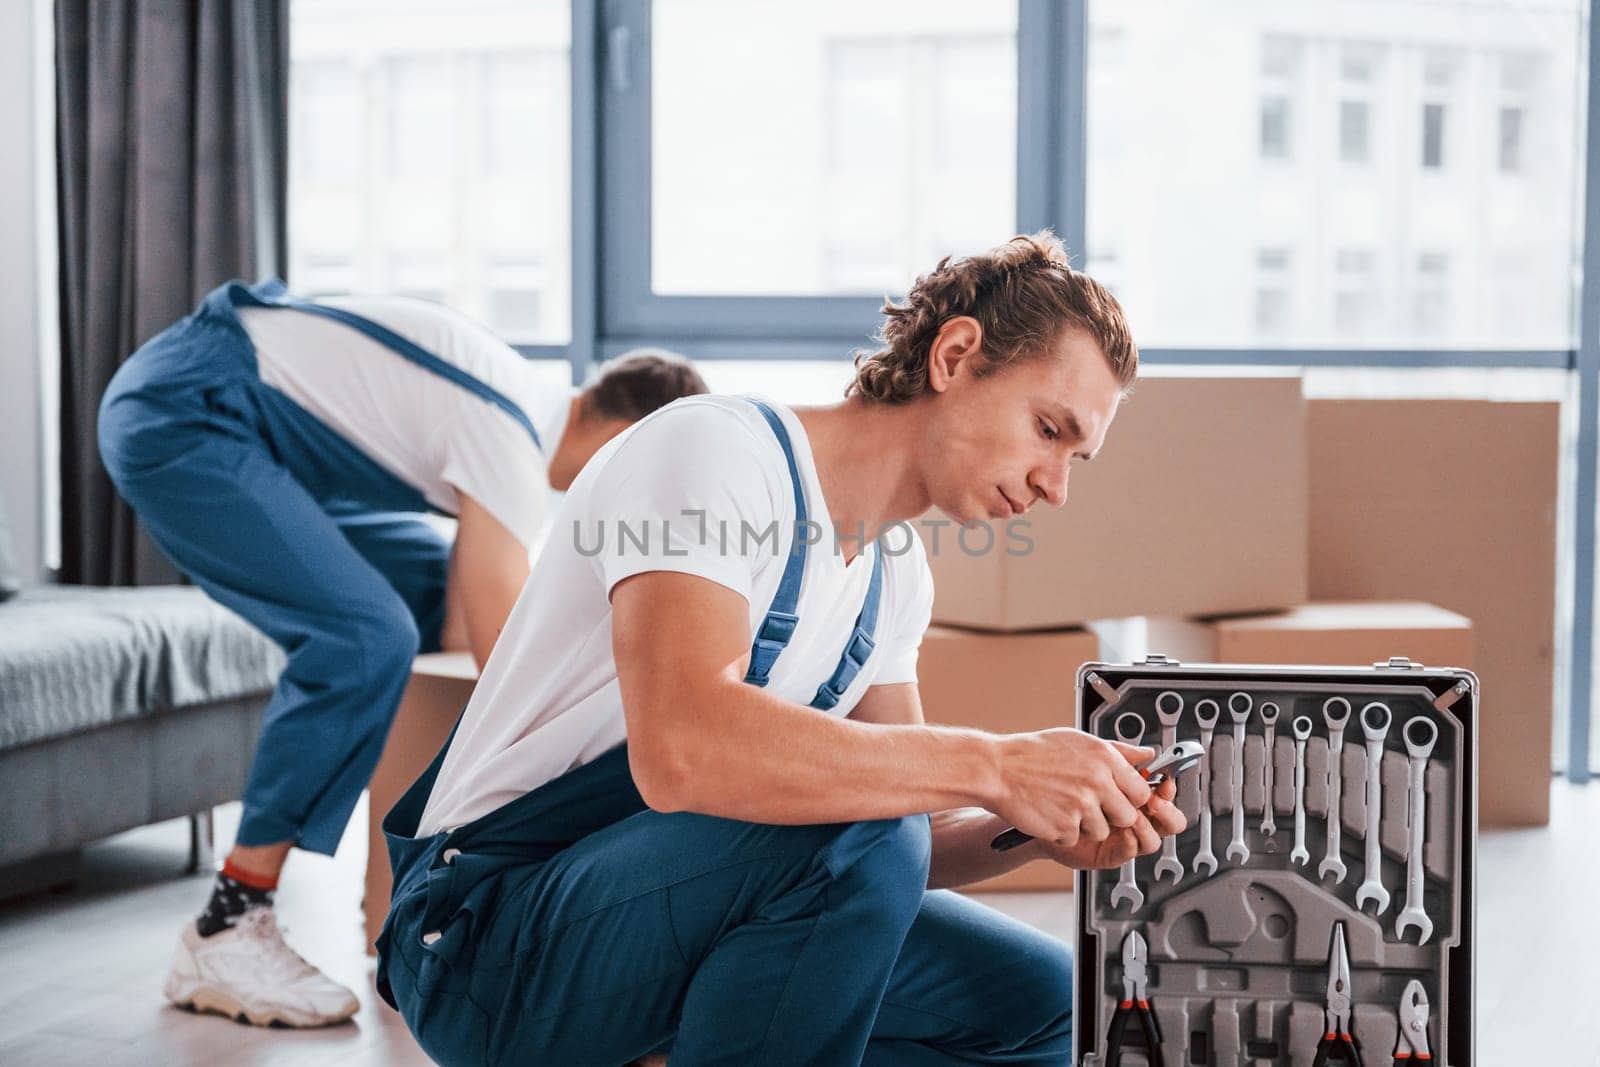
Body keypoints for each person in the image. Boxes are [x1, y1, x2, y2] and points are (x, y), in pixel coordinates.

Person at [375, 232, 1186, 1066]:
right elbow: (682, 747)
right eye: (1049, 429)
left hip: (656, 907)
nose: (1056, 486)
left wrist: (1037, 827)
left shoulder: (893, 577)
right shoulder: (716, 453)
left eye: (1076, 459)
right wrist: (998, 762)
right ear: (955, 355)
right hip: (486, 935)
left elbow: (910, 835)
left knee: (1046, 1005)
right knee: (859, 834)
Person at [96, 278, 708, 1028]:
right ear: (629, 441)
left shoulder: (515, 404)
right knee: (365, 637)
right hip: (187, 408)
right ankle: (232, 915)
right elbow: (505, 655)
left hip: (254, 427)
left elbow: (459, 622)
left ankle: (404, 885)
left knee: (420, 577)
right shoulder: (508, 436)